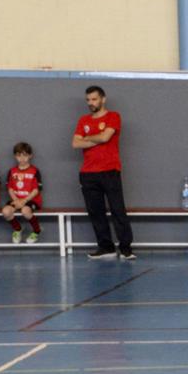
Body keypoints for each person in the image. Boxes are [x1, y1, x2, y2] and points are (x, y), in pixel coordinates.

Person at [72, 85, 134, 260]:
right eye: (88, 100)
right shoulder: (83, 120)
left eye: (94, 99)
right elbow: (75, 143)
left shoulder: (113, 116)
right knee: (96, 212)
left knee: (117, 210)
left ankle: (125, 248)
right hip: (88, 173)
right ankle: (106, 247)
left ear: (103, 99)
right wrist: (97, 137)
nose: (91, 103)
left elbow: (106, 137)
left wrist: (88, 138)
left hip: (110, 170)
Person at [2, 142, 44, 244]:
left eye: (25, 155)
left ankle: (37, 231)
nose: (22, 158)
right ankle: (17, 229)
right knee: (6, 211)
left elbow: (36, 190)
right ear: (15, 156)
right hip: (16, 200)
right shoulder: (12, 171)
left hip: (31, 200)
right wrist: (16, 200)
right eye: (19, 155)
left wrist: (24, 200)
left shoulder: (34, 171)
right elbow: (10, 188)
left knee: (25, 211)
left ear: (30, 156)